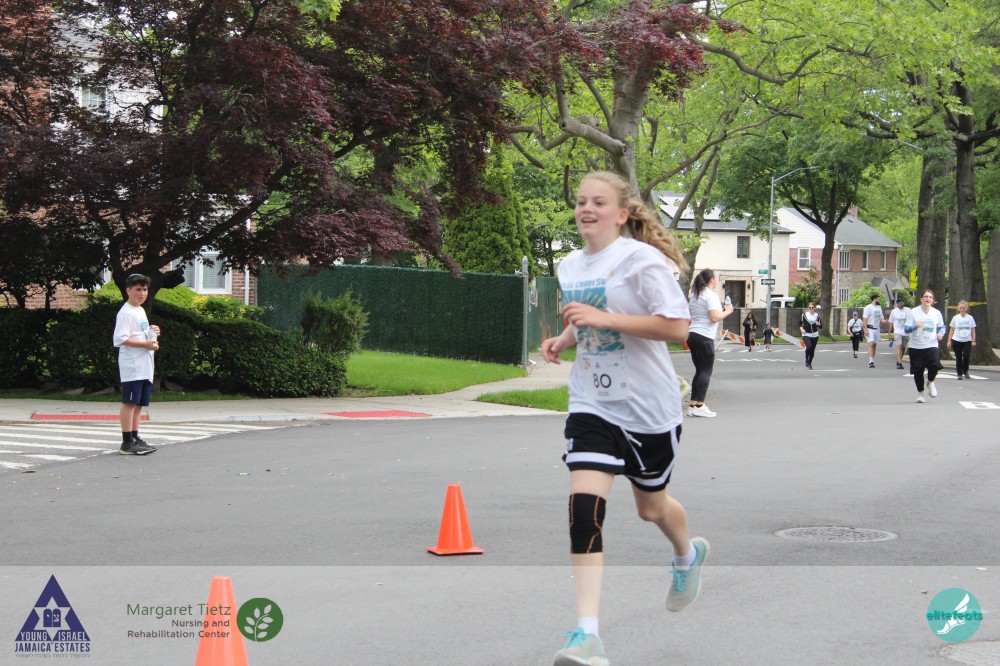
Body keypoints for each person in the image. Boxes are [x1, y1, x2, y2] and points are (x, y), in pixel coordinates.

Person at [540, 172, 708, 666]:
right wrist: (565, 339)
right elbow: (587, 315)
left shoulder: (641, 260)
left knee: (651, 509)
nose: (586, 209)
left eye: (598, 202)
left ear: (620, 214)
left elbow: (677, 327)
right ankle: (587, 636)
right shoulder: (570, 264)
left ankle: (687, 555)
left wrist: (604, 320)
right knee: (584, 510)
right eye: (580, 201)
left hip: (648, 408)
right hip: (592, 402)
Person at [113, 274, 160, 455]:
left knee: (139, 403)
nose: (142, 293)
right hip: (132, 366)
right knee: (130, 402)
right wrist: (145, 344)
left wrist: (153, 332)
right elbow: (120, 338)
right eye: (138, 290)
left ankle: (134, 436)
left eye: (145, 289)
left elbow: (141, 333)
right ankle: (126, 442)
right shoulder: (125, 313)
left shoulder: (140, 310)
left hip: (144, 365)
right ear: (128, 291)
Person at [685, 269, 733, 418]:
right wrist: (728, 311)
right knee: (706, 371)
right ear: (712, 280)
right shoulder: (710, 295)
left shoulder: (695, 295)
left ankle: (693, 405)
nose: (716, 280)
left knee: (699, 370)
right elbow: (714, 318)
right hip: (704, 336)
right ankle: (700, 405)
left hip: (692, 334)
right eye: (715, 278)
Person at [904, 289, 946, 403]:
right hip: (916, 346)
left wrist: (941, 334)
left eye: (930, 297)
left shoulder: (936, 313)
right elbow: (906, 329)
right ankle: (921, 394)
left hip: (931, 344)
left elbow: (942, 327)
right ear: (921, 299)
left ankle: (930, 381)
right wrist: (915, 326)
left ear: (933, 300)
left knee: (935, 365)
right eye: (926, 297)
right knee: (918, 371)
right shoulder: (913, 312)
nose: (928, 299)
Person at [947, 300, 977, 380]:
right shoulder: (955, 318)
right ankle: (959, 373)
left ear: (966, 308)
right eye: (961, 308)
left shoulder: (970, 318)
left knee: (966, 356)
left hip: (967, 340)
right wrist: (949, 340)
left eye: (964, 308)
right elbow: (952, 330)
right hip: (957, 340)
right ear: (958, 308)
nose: (962, 309)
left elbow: (973, 329)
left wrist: (973, 340)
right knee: (958, 357)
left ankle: (965, 370)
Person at [862, 294, 887, 368]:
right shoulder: (868, 307)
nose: (879, 300)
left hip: (877, 328)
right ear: (874, 299)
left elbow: (881, 318)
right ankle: (870, 361)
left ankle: (872, 360)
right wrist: (865, 329)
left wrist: (884, 321)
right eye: (878, 299)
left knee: (874, 345)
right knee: (871, 343)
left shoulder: (879, 307)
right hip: (870, 328)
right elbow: (865, 319)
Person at [888, 298, 911, 370]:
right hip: (897, 331)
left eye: (901, 302)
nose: (900, 304)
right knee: (899, 346)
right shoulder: (894, 311)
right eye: (898, 302)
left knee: (903, 347)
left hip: (906, 331)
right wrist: (889, 333)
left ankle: (899, 359)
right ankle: (899, 363)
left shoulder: (908, 310)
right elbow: (891, 322)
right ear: (897, 304)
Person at [799, 302, 821, 369]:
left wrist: (818, 324)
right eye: (810, 307)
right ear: (808, 308)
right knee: (809, 347)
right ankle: (806, 359)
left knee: (812, 350)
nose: (811, 309)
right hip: (806, 334)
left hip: (815, 335)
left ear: (814, 308)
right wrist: (801, 329)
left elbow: (821, 326)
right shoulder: (804, 315)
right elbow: (800, 323)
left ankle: (810, 363)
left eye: (812, 307)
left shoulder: (817, 316)